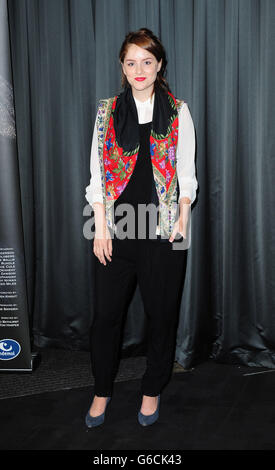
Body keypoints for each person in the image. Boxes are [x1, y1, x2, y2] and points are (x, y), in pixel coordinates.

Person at [84, 27, 198, 428]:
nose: (139, 69)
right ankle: (102, 390)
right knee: (105, 318)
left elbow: (187, 174)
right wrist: (100, 227)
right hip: (115, 230)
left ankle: (152, 390)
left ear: (159, 64)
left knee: (163, 316)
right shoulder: (106, 111)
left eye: (146, 61)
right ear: (122, 65)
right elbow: (97, 176)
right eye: (131, 62)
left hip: (165, 232)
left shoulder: (178, 110)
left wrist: (184, 215)